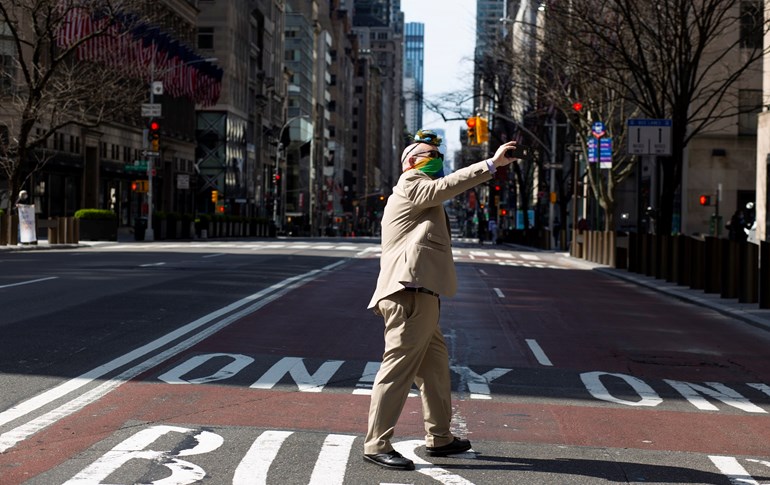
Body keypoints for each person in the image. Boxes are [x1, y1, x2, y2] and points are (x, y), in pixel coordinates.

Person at [363, 129, 520, 471]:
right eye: (427, 154)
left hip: (422, 296)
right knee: (397, 370)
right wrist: (491, 164)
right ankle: (377, 443)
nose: (434, 159)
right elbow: (441, 188)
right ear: (409, 162)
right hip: (409, 295)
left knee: (435, 370)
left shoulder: (420, 191)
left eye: (437, 154)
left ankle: (440, 437)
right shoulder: (411, 184)